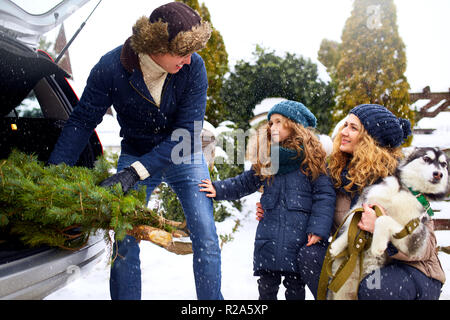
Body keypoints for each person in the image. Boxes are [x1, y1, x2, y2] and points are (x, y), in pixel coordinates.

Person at [48, 2, 223, 300]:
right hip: (138, 150)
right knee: (124, 237)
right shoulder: (110, 67)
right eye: (182, 53)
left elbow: (188, 133)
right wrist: (54, 175)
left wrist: (134, 173)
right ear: (156, 45)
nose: (190, 60)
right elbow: (81, 122)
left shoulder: (194, 69)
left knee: (205, 234)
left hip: (184, 152)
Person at [258, 103, 445, 300]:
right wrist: (274, 208)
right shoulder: (337, 176)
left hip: (410, 270)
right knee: (310, 255)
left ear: (371, 139)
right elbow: (312, 208)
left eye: (353, 128)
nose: (344, 132)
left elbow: (426, 247)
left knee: (375, 286)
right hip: (361, 266)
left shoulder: (402, 180)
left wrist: (382, 230)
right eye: (345, 125)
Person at [199, 100, 336, 300]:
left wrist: (317, 229)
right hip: (269, 237)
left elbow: (324, 196)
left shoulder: (312, 161)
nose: (273, 127)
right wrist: (217, 189)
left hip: (299, 237)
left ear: (294, 125)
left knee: (296, 289)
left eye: (279, 121)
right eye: (271, 123)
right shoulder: (268, 159)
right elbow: (244, 183)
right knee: (266, 288)